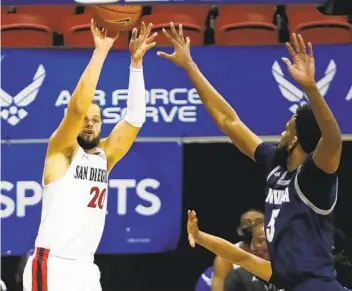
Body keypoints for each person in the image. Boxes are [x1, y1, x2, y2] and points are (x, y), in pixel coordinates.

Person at [158, 23, 345, 290]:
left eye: (286, 128)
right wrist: (190, 66)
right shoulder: (276, 165)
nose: (281, 132)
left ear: (295, 140)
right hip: (284, 282)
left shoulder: (316, 176)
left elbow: (334, 139)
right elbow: (228, 121)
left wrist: (311, 89)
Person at [22, 20, 157, 291]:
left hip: (86, 267)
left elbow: (135, 119)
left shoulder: (104, 156)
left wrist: (136, 65)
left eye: (96, 119)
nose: (90, 123)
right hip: (53, 264)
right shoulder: (61, 150)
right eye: (85, 119)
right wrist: (102, 51)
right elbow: (76, 106)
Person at [212, 209, 264, 291]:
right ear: (240, 231)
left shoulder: (278, 252)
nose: (253, 226)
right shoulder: (225, 258)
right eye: (248, 223)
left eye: (259, 222)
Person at [224, 223, 283, 291]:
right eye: (253, 242)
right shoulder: (238, 277)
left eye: (261, 241)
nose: (257, 246)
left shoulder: (291, 273)